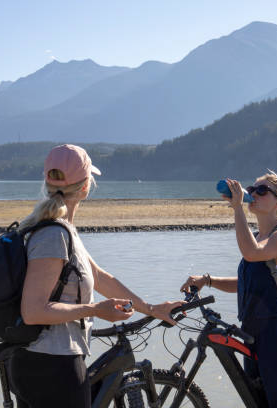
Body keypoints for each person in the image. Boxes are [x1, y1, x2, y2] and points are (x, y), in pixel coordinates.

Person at [9, 144, 183, 408]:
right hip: (51, 365)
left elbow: (100, 277)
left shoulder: (63, 230)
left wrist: (151, 308)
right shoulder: (53, 236)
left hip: (44, 362)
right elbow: (34, 311)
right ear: (85, 187)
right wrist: (95, 309)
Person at [180, 171, 277, 408]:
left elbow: (251, 253)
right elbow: (246, 284)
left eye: (262, 190)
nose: (254, 194)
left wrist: (237, 208)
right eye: (252, 188)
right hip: (253, 332)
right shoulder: (257, 236)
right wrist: (207, 280)